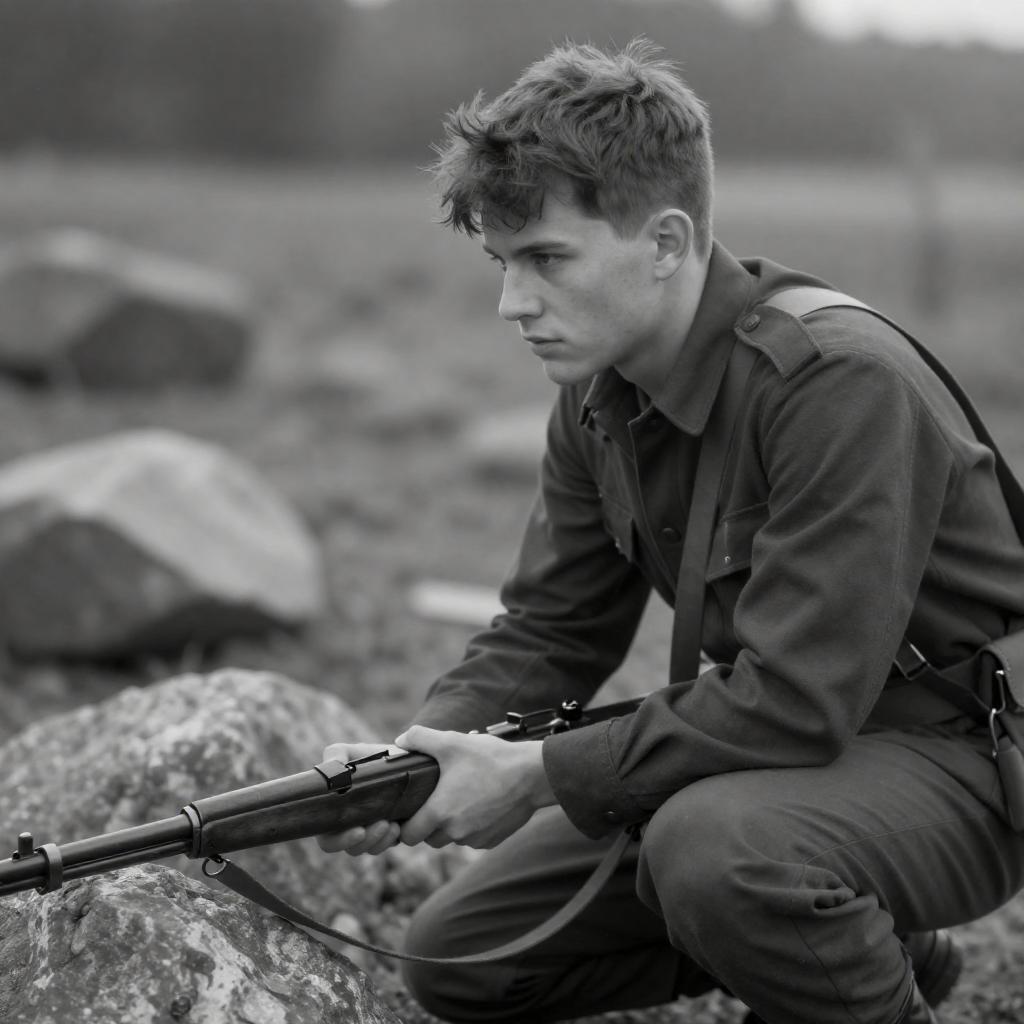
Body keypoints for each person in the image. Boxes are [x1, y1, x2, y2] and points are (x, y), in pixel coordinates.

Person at [318, 38, 1024, 1024]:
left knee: (713, 850)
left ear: (664, 241)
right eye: (501, 262)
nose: (512, 303)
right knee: (461, 957)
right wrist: (425, 757)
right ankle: (868, 943)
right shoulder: (597, 393)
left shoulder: (835, 383)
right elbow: (552, 628)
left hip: (966, 752)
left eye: (546, 259)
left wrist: (534, 776)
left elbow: (797, 699)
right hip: (787, 765)